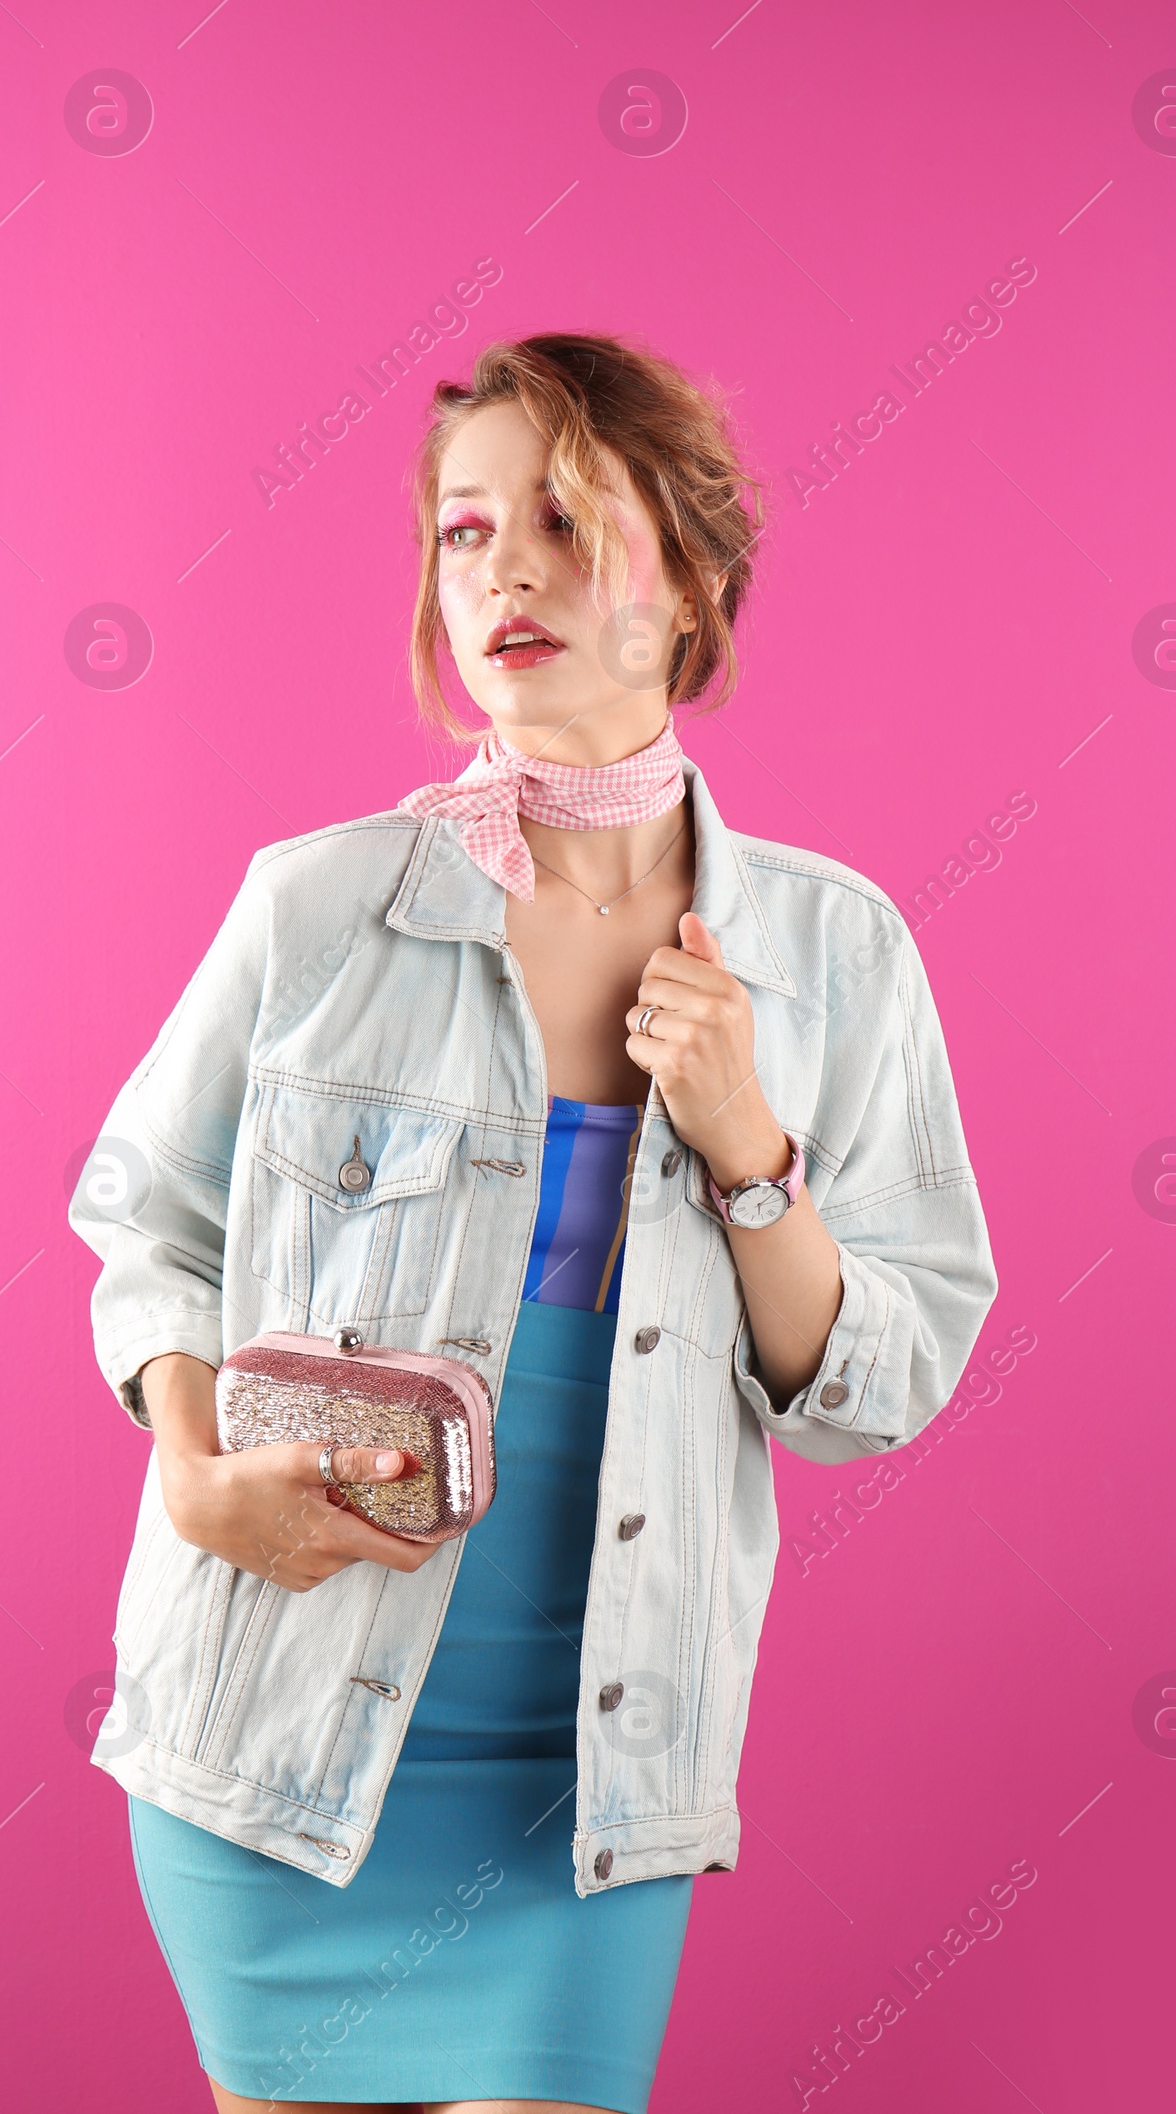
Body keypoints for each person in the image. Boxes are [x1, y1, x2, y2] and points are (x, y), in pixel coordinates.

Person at [69, 333, 999, 2114]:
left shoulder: (835, 953)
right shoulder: (325, 906)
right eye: (465, 529)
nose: (504, 568)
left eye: (568, 521)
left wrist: (748, 1149)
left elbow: (883, 1379)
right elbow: (147, 1222)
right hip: (272, 1736)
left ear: (695, 585)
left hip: (587, 1796)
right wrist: (190, 1474)